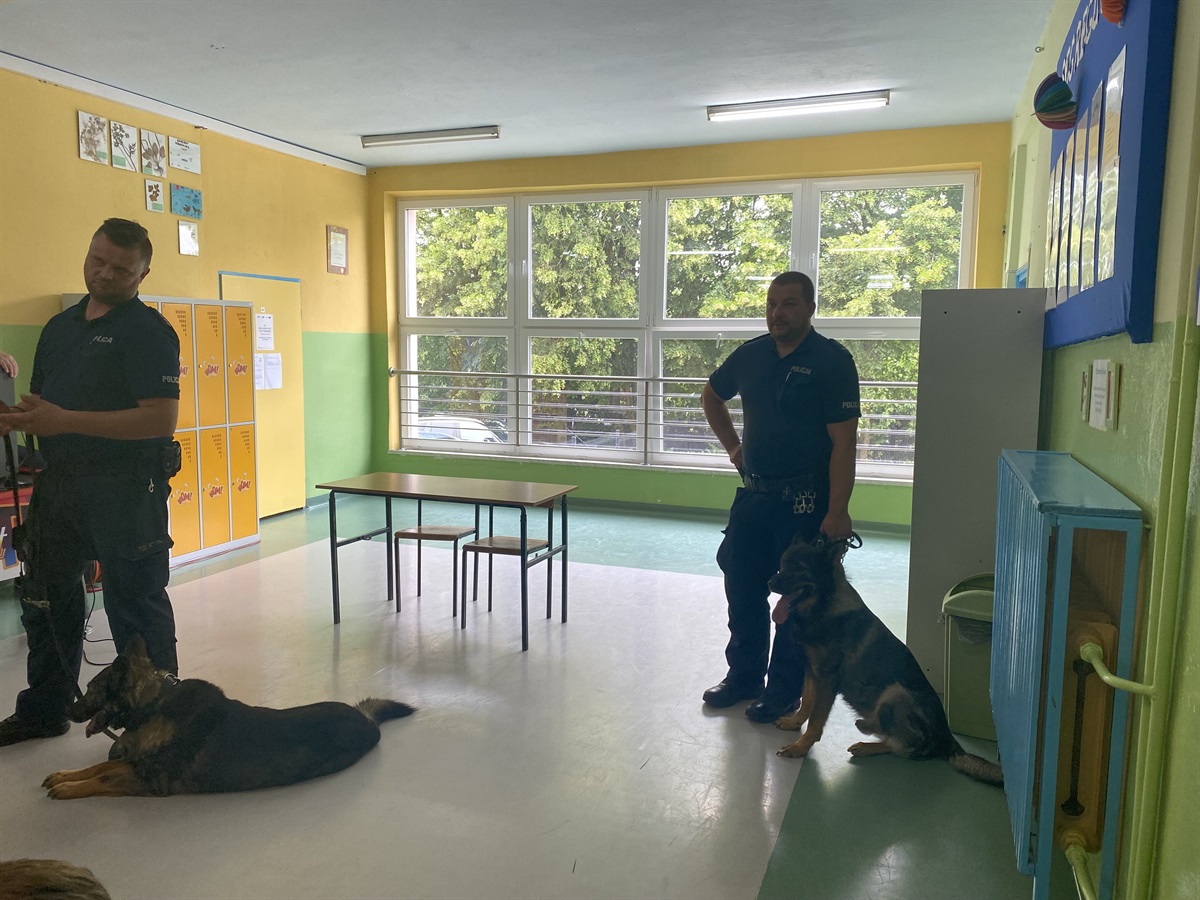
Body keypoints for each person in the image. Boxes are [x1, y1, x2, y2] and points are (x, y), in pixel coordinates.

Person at [0, 218, 181, 747]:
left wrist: (64, 421)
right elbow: (45, 406)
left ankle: (156, 725)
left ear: (143, 273)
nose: (104, 274)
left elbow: (159, 419)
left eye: (121, 269)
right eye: (97, 261)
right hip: (60, 485)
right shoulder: (60, 328)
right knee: (46, 600)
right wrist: (20, 419)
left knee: (136, 606)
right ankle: (45, 709)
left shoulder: (148, 332)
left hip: (126, 490)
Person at [700, 271, 860, 723]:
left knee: (795, 601)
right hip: (754, 500)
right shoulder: (750, 355)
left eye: (789, 304)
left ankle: (783, 692)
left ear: (810, 308)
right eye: (772, 304)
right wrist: (734, 448)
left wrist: (838, 511)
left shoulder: (832, 361)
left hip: (806, 504)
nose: (777, 313)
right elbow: (711, 396)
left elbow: (845, 444)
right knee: (742, 588)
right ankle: (744, 676)